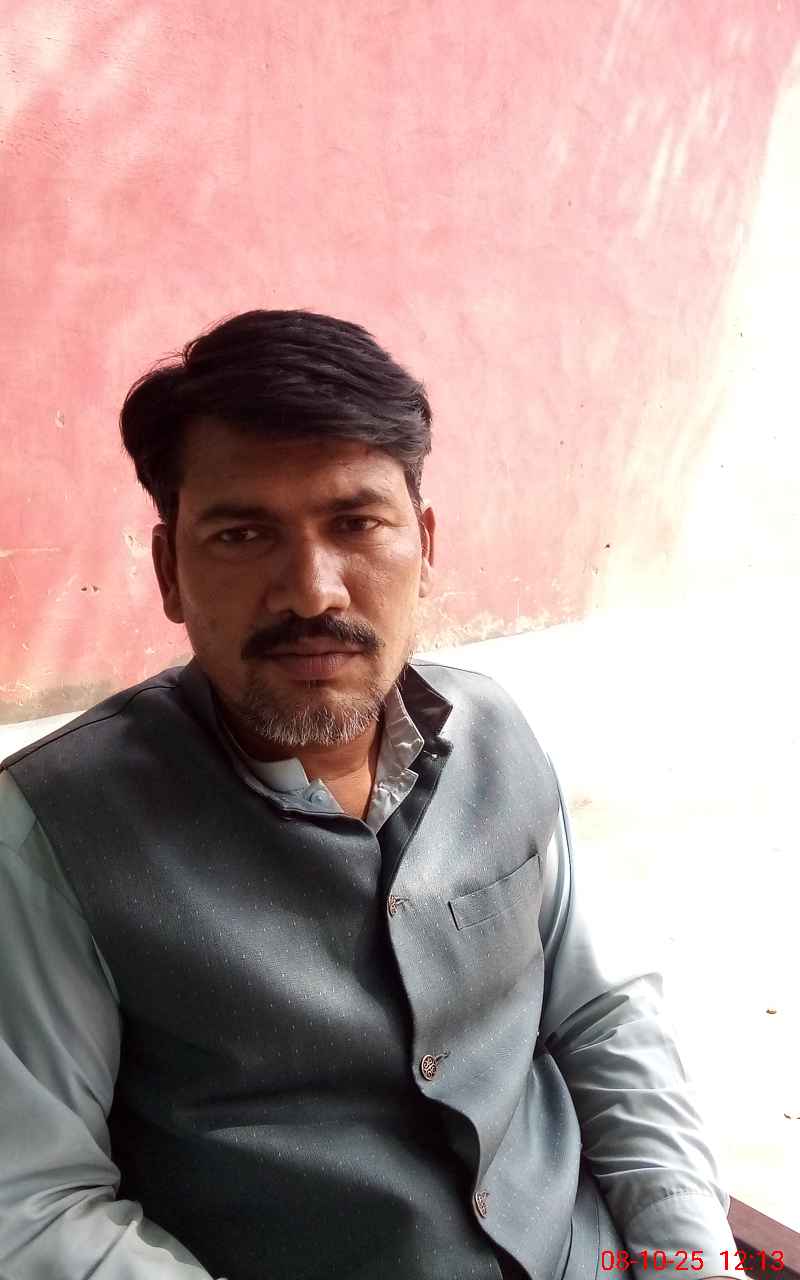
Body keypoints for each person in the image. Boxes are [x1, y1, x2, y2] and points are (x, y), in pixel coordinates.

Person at [0, 309, 739, 1280]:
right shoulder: (52, 834)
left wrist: (685, 1256)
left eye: (355, 523)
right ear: (170, 570)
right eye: (242, 533)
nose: (311, 591)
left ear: (423, 545)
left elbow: (602, 1012)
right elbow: (33, 1204)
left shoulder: (497, 732)